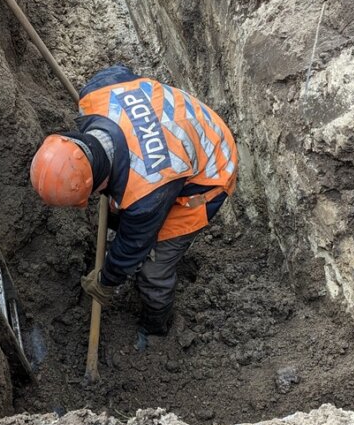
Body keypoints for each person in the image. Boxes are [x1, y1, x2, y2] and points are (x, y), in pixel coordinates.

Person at [29, 64, 238, 338]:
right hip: (187, 128)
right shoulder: (96, 94)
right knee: (127, 214)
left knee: (153, 270)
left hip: (211, 170)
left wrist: (107, 280)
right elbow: (120, 71)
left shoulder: (147, 193)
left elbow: (134, 243)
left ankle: (155, 327)